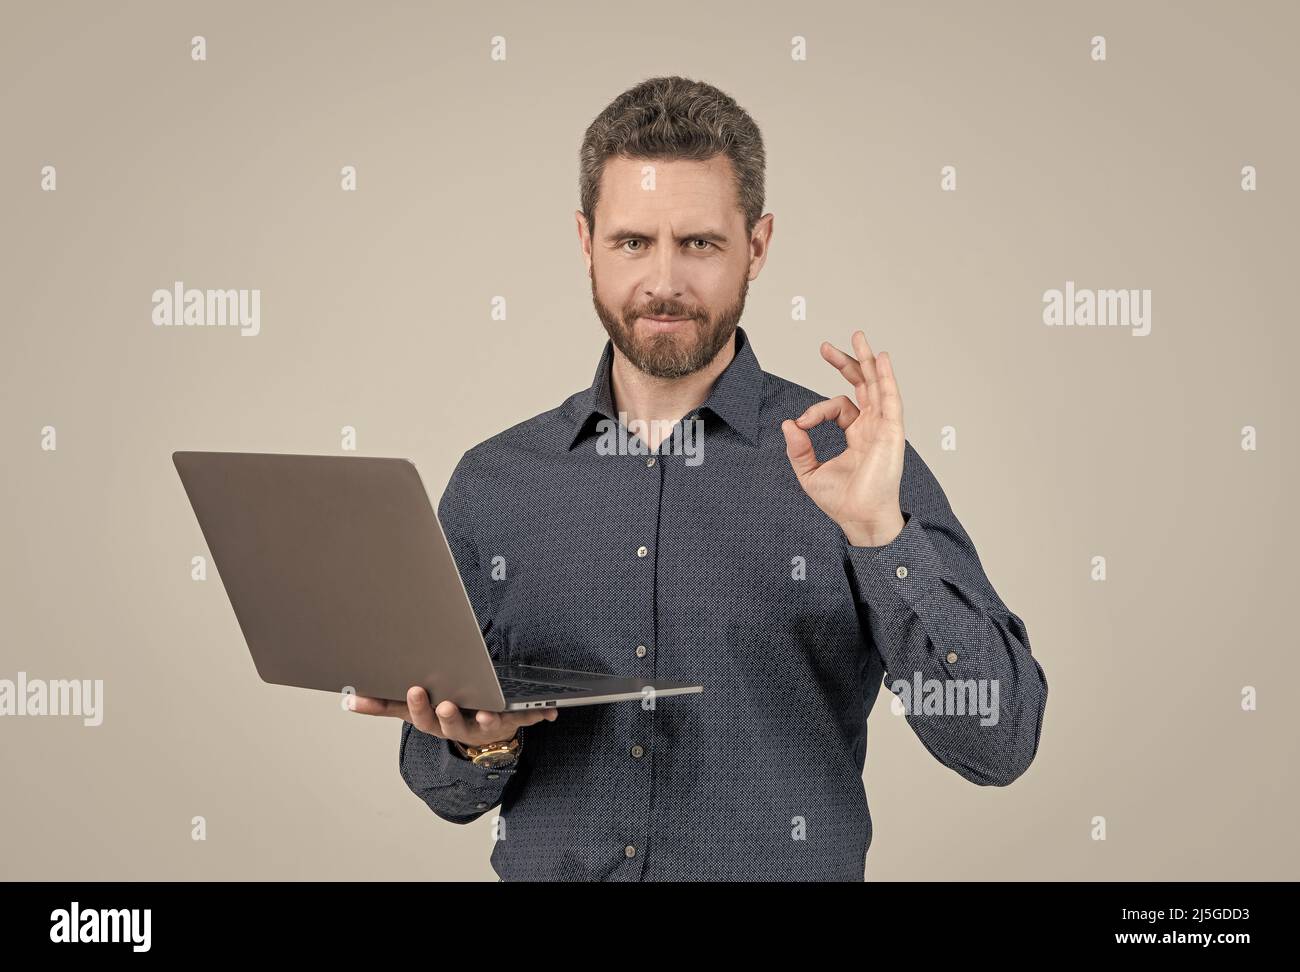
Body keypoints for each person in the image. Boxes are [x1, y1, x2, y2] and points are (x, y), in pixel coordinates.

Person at [349, 76, 1048, 881]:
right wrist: (480, 743)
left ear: (758, 243)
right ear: (586, 241)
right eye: (632, 242)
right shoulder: (496, 484)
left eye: (701, 244)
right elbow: (443, 785)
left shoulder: (850, 462)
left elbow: (998, 743)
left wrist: (881, 538)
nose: (664, 283)